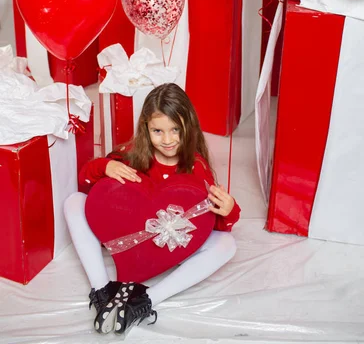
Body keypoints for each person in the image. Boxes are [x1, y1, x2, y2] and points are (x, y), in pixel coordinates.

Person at [64, 83, 240, 336]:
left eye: (175, 130)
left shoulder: (196, 168)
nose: (167, 140)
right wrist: (105, 167)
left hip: (165, 250)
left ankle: (145, 300)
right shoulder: (132, 154)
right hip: (123, 239)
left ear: (188, 127)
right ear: (146, 128)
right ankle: (102, 289)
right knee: (73, 201)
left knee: (227, 244)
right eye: (158, 131)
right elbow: (87, 185)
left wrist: (229, 210)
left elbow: (211, 223)